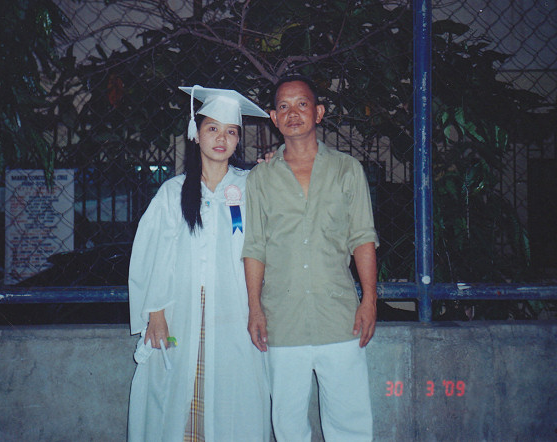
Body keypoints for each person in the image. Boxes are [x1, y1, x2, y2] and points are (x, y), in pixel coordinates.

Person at [127, 85, 271, 441]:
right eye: (213, 129)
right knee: (179, 396)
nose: (222, 138)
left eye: (231, 131)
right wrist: (155, 313)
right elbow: (150, 255)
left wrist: (274, 168)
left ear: (238, 140)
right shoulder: (172, 193)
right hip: (182, 310)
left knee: (234, 394)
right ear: (196, 134)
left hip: (236, 310)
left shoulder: (252, 186)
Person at [242, 75, 379, 441]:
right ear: (274, 118)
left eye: (302, 104)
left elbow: (362, 237)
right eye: (283, 106)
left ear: (318, 112)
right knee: (288, 425)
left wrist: (369, 300)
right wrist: (255, 308)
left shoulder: (347, 169)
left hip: (340, 317)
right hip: (282, 321)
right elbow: (254, 247)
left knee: (350, 422)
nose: (293, 113)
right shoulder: (260, 178)